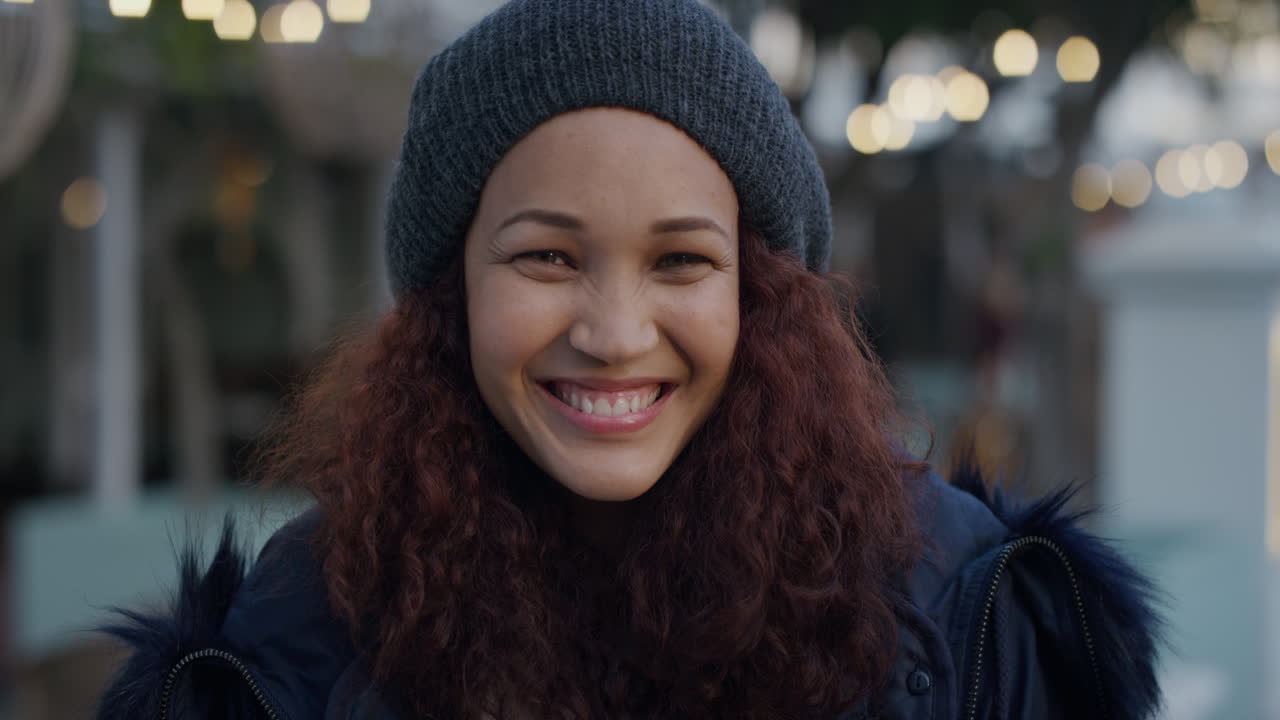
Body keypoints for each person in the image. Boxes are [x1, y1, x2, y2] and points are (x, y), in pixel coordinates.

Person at [94, 1, 1162, 718]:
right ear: (448, 295)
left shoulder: (968, 606)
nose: (612, 333)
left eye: (680, 261)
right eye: (547, 256)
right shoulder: (287, 647)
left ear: (761, 296)